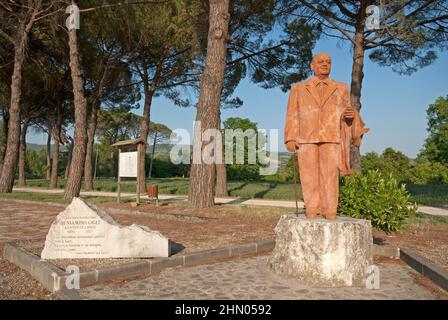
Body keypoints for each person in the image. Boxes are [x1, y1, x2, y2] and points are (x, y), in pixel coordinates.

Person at [284, 53, 368, 220]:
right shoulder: (299, 88)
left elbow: (345, 111)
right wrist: (291, 137)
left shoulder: (342, 87)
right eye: (320, 62)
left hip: (331, 136)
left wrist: (349, 116)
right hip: (306, 137)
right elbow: (292, 113)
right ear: (312, 66)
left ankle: (330, 209)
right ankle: (312, 208)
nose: (325, 64)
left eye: (328, 62)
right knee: (308, 175)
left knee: (330, 175)